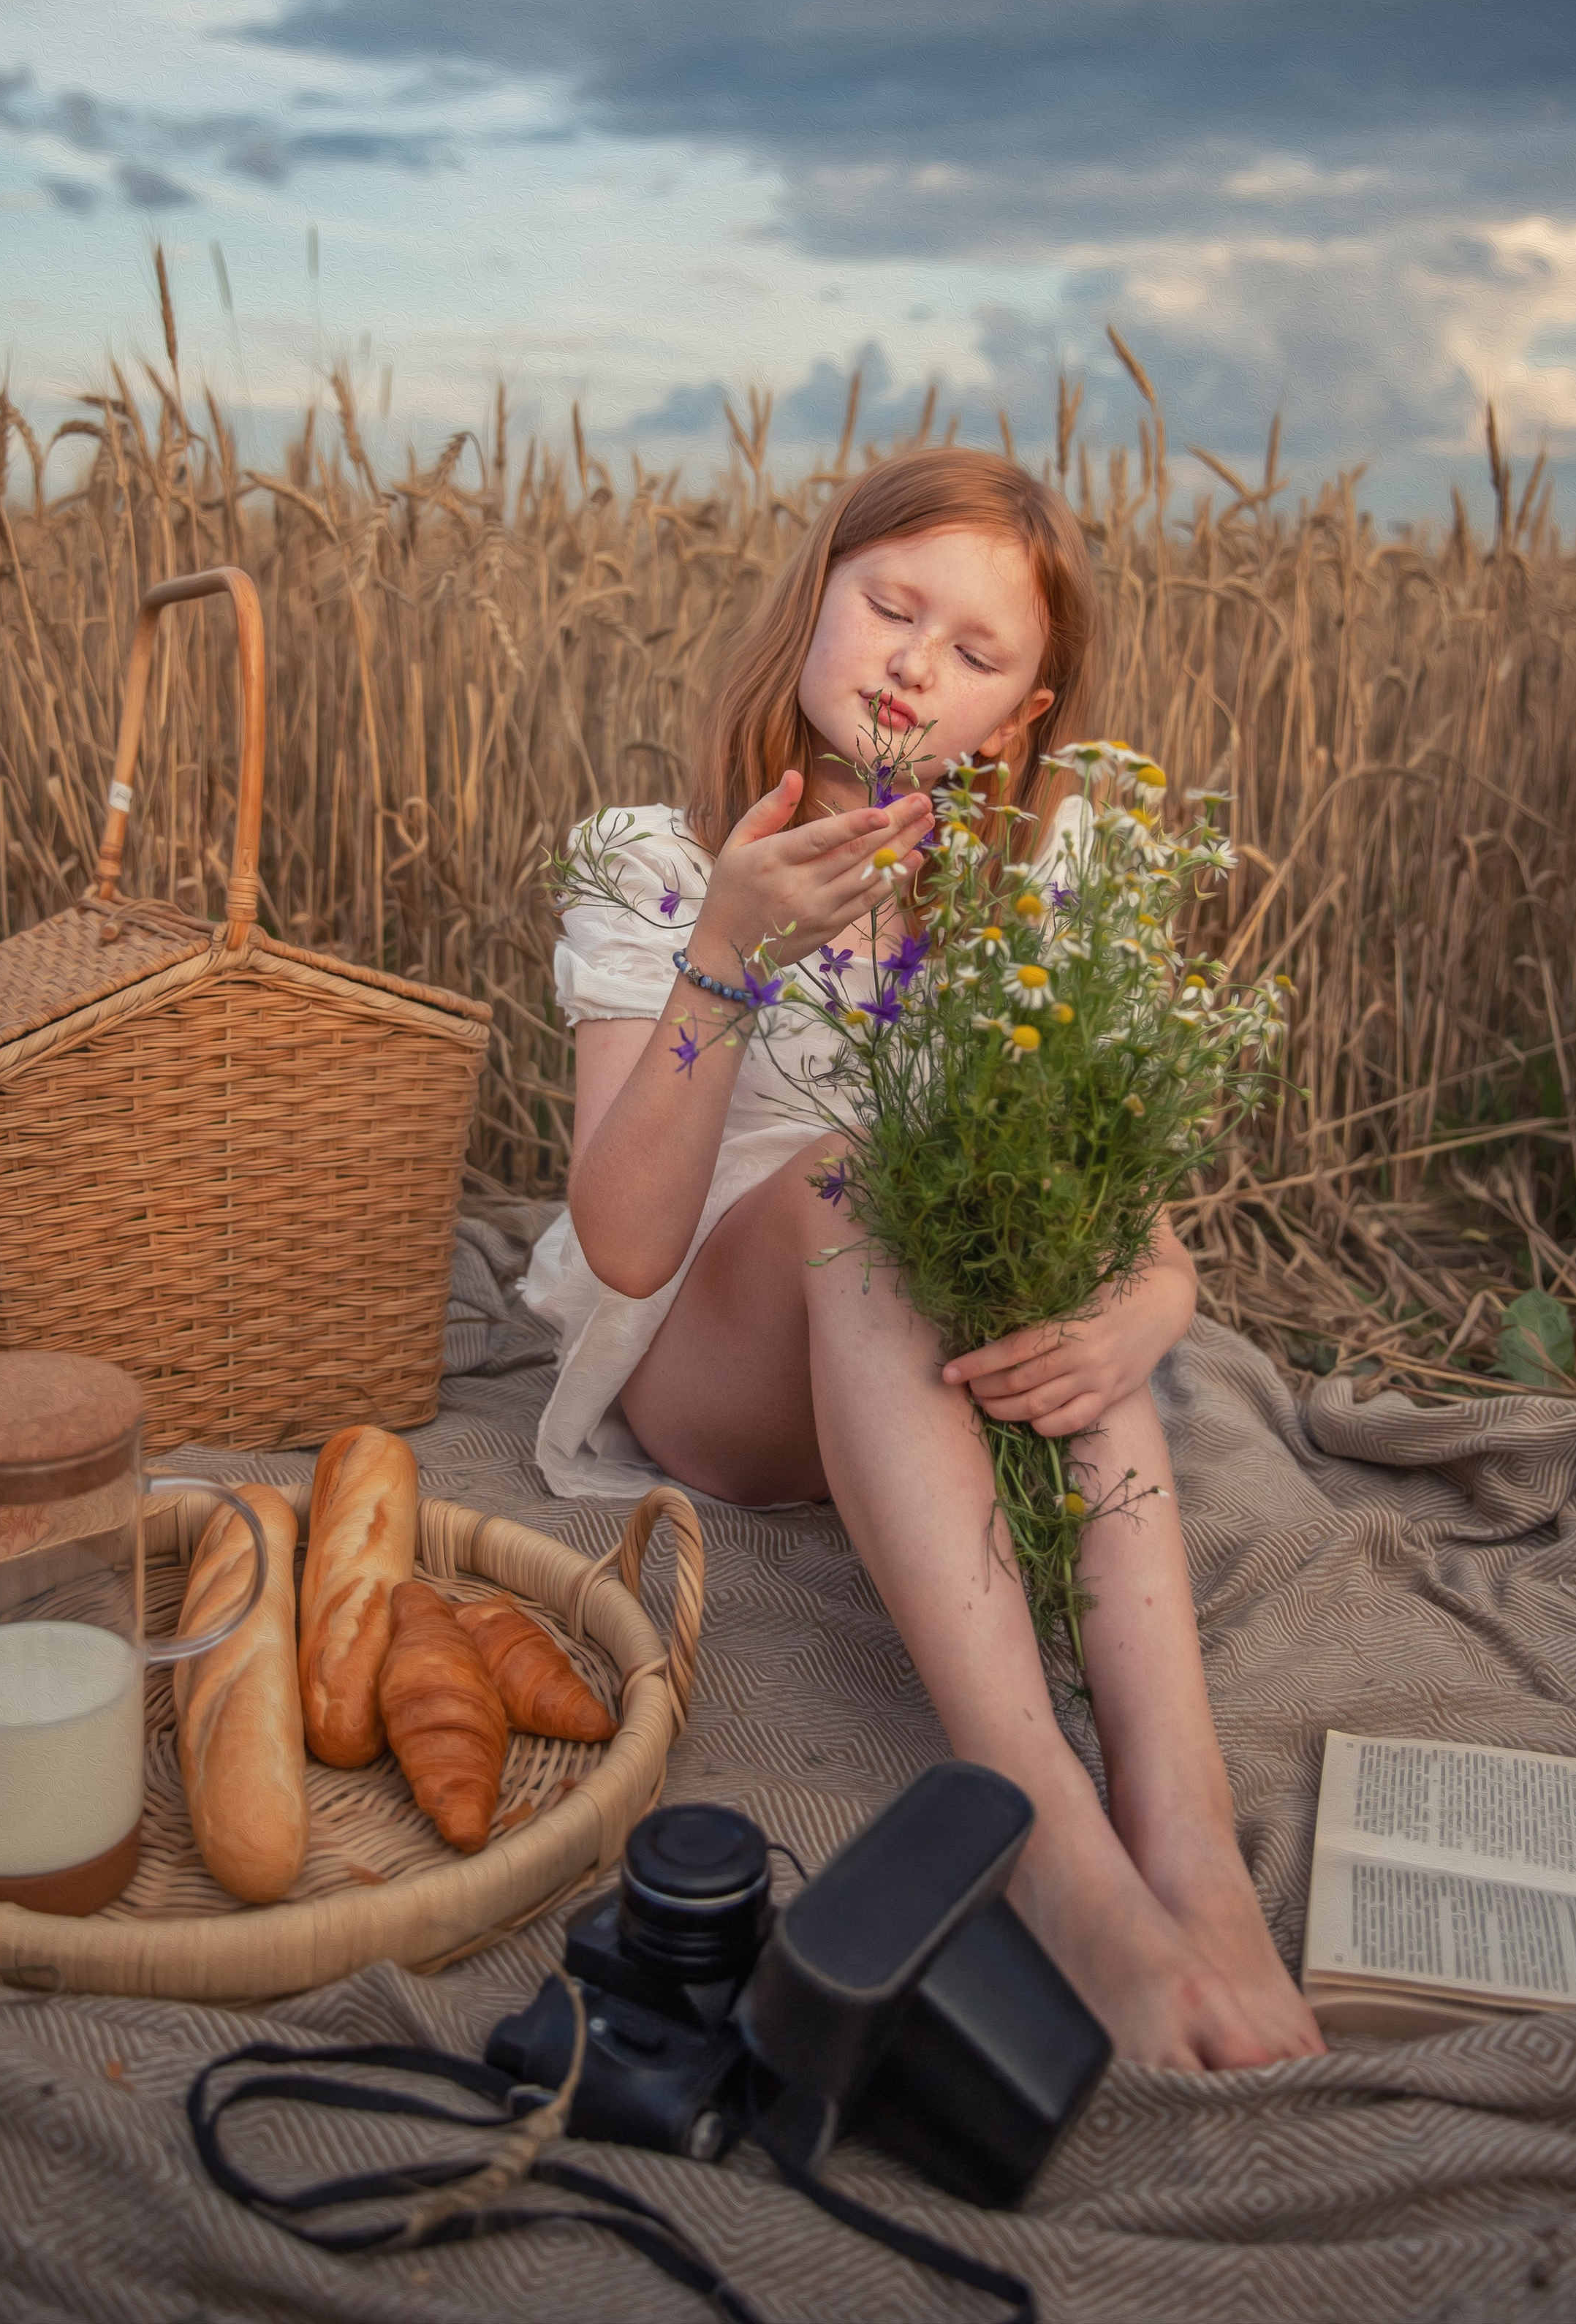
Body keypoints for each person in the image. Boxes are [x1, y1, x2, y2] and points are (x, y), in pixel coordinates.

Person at [523, 448, 1324, 2072]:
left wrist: (1136, 1318)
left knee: (1049, 1257)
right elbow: (620, 1242)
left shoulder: (1041, 883)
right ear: (817, 591)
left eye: (975, 655)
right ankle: (1044, 1840)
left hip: (922, 1360)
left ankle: (1187, 1847)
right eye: (891, 607)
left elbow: (1143, 1240)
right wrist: (728, 960)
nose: (911, 664)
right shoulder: (657, 863)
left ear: (1021, 719)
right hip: (716, 1356)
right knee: (854, 1173)